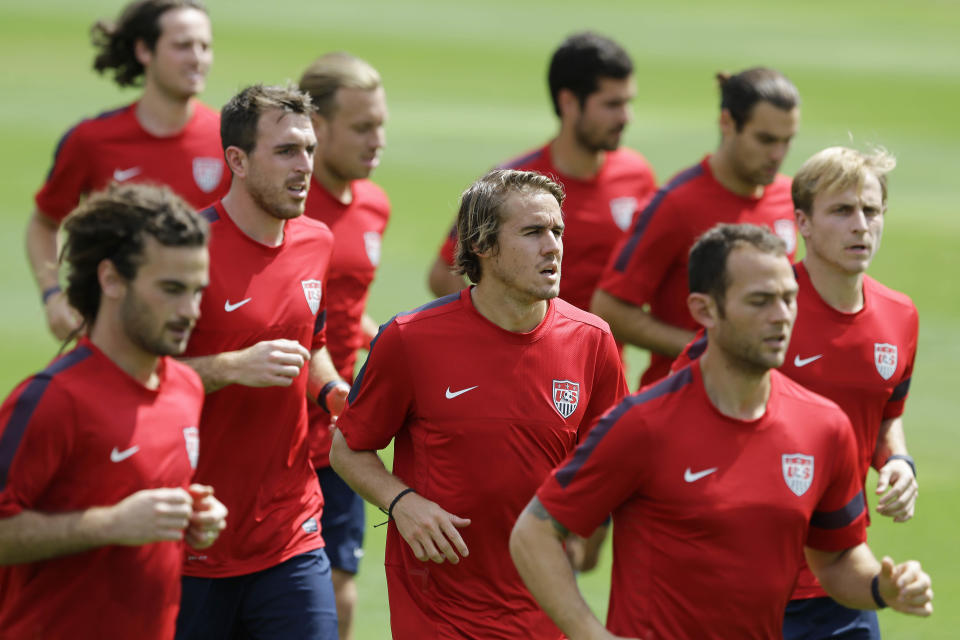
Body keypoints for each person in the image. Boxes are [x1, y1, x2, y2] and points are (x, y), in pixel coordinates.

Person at [511, 224, 933, 640]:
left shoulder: (825, 428)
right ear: (705, 310)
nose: (781, 316)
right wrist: (591, 635)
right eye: (760, 301)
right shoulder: (644, 423)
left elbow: (837, 559)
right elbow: (535, 532)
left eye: (789, 299)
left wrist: (883, 586)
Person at [330, 169, 628, 639]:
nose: (553, 247)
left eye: (557, 231)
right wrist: (401, 502)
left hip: (543, 600)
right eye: (533, 232)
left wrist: (597, 527)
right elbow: (347, 447)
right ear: (483, 246)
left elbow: (613, 462)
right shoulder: (410, 340)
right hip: (438, 605)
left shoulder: (591, 342)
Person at [0, 183, 227, 639]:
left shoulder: (185, 387)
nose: (190, 310)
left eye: (197, 291)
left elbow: (137, 504)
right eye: (170, 289)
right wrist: (112, 523)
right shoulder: (52, 399)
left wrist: (193, 517)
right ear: (111, 280)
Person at [174, 84, 339, 639]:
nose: (305, 166)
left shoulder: (317, 241)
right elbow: (128, 381)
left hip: (290, 532)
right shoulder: (181, 252)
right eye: (287, 151)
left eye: (310, 150)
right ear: (237, 161)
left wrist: (335, 391)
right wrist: (228, 368)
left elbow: (312, 347)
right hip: (192, 539)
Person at [27, 0, 228, 342]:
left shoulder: (230, 140)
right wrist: (52, 295)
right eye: (182, 46)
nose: (197, 58)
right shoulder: (91, 140)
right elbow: (44, 224)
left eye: (205, 46)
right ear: (143, 50)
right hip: (116, 340)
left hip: (206, 333)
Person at [592, 67, 800, 387]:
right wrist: (711, 347)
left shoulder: (788, 197)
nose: (778, 154)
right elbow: (610, 308)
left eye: (787, 141)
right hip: (680, 401)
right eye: (765, 140)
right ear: (727, 123)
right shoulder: (676, 203)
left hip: (753, 403)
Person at [427, 31, 657, 313]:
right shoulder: (510, 183)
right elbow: (444, 274)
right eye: (612, 105)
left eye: (627, 103)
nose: (625, 118)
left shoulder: (638, 175)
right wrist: (498, 334)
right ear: (569, 103)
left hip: (605, 356)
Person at [297, 51, 390, 640]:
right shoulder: (289, 208)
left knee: (338, 581)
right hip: (278, 422)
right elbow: (290, 327)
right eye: (362, 127)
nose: (377, 140)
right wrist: (332, 389)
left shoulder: (372, 204)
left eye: (380, 124)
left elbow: (346, 317)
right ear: (317, 128)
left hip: (338, 432)